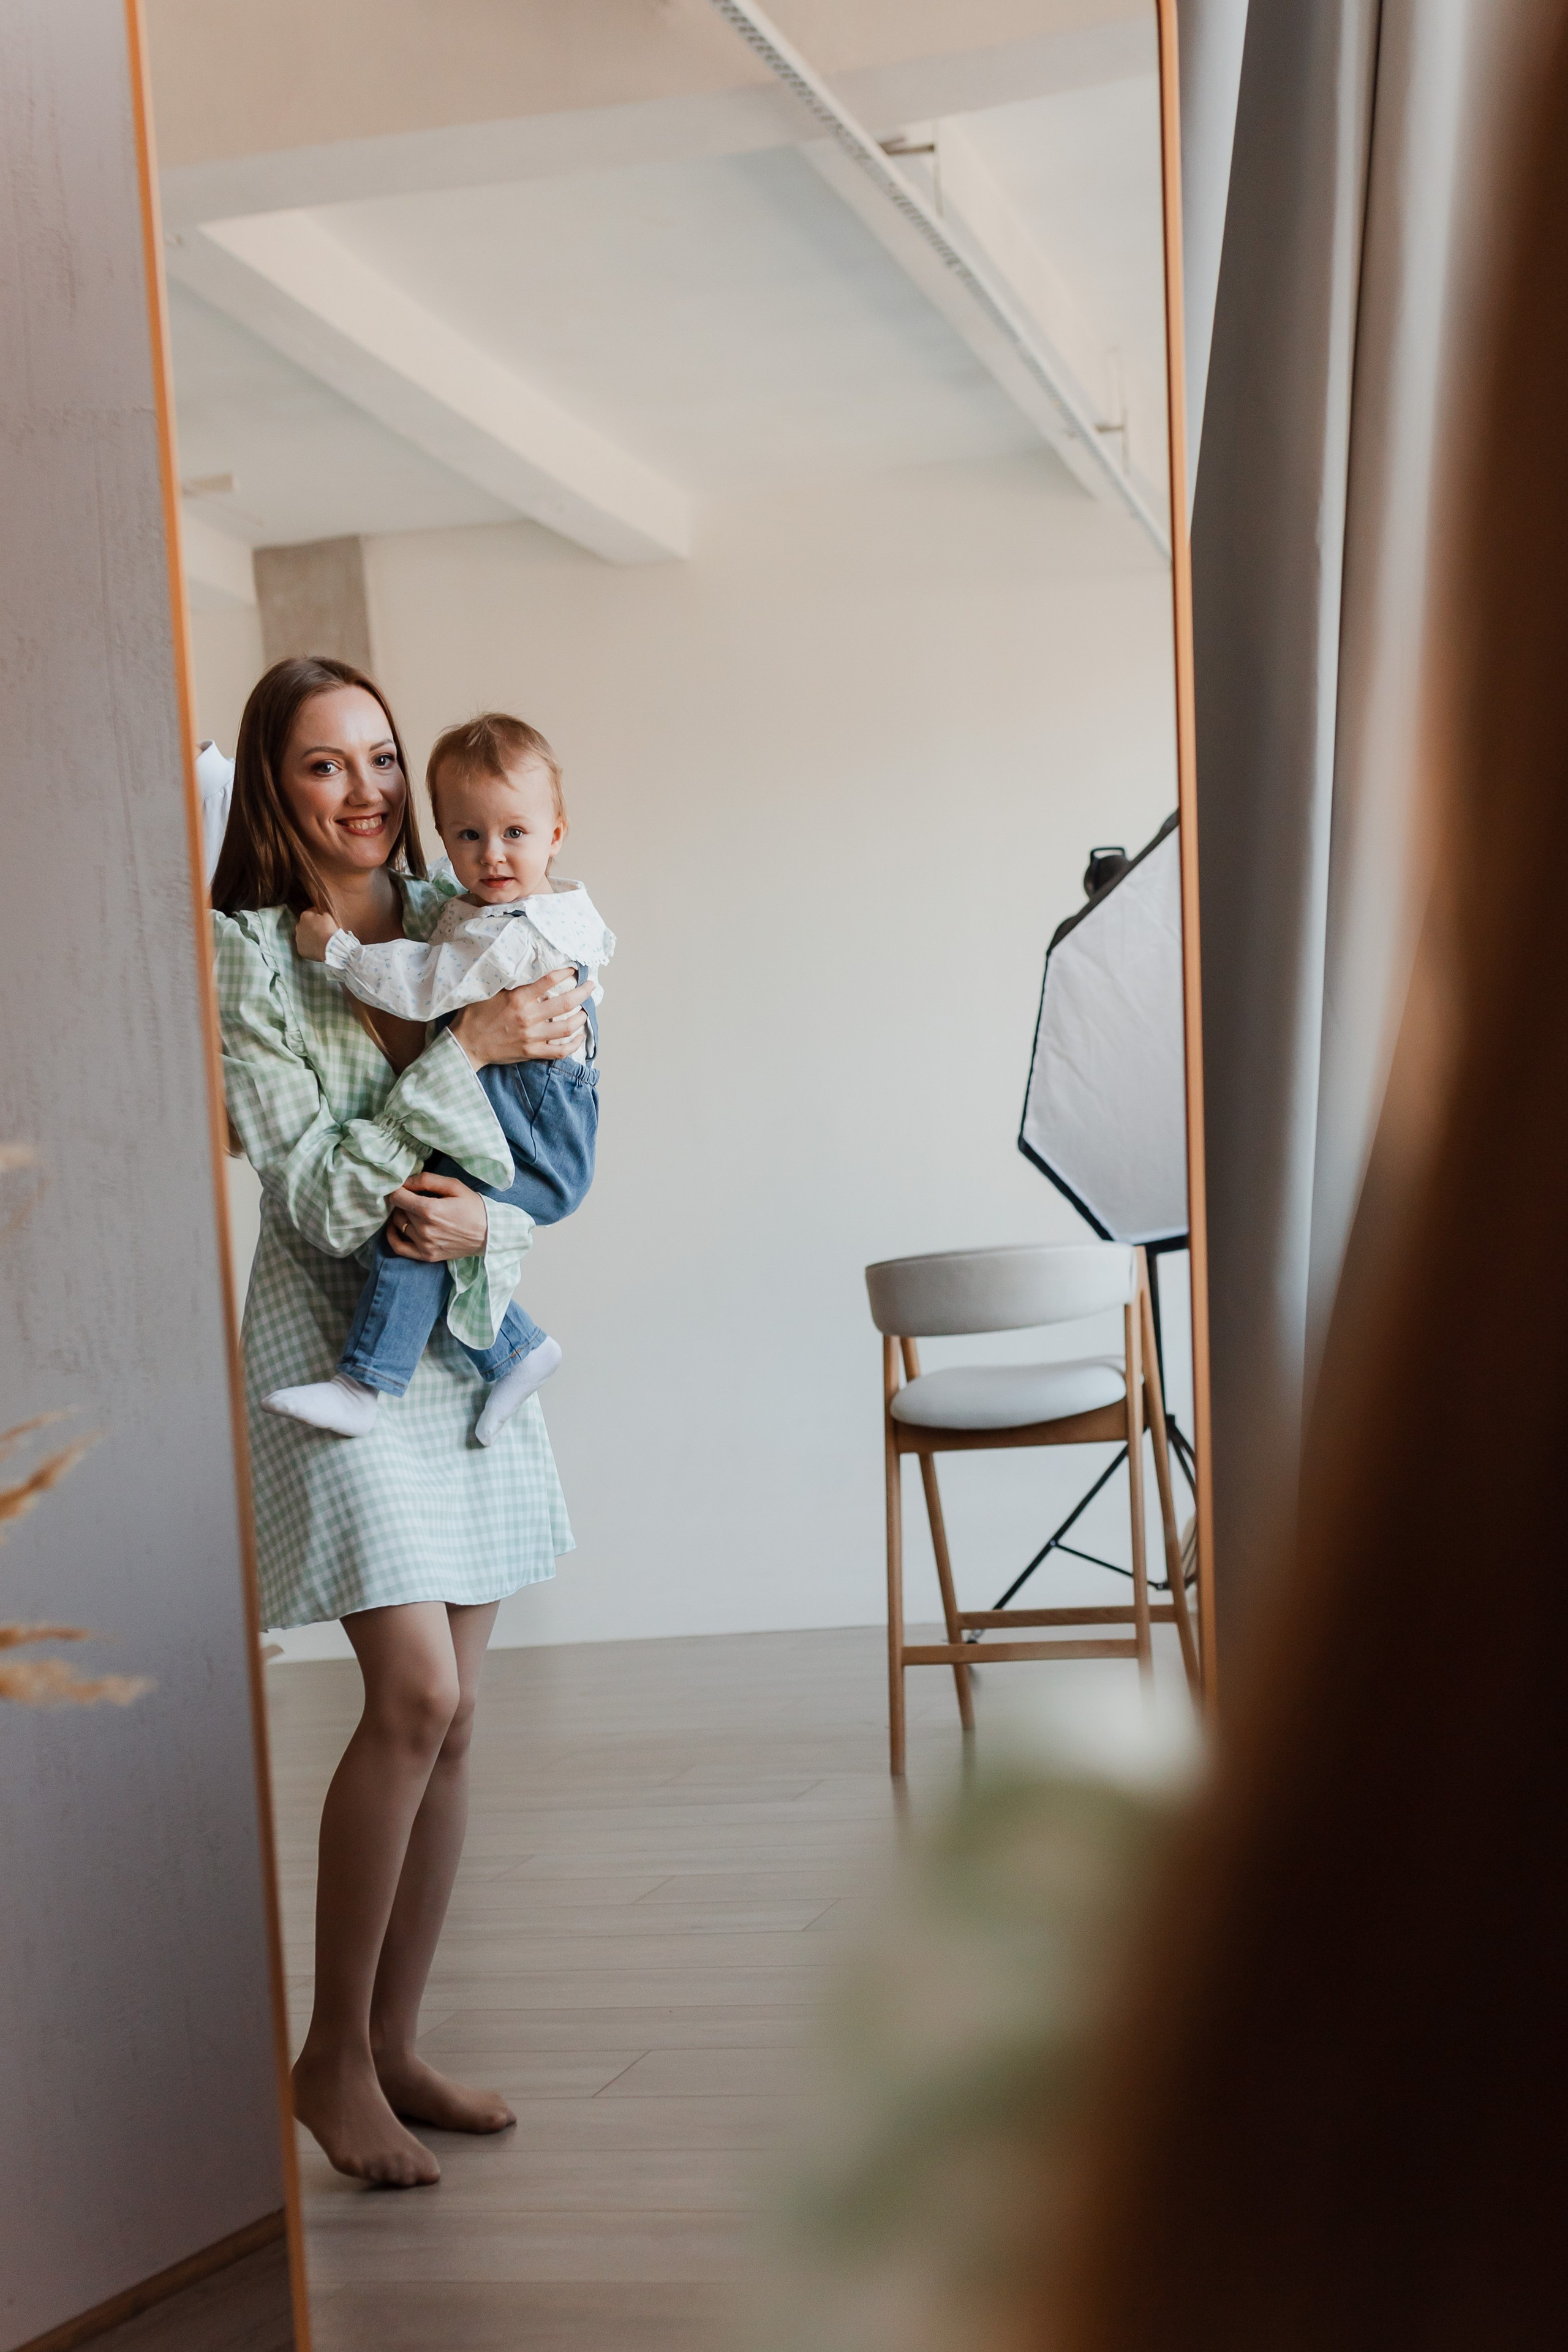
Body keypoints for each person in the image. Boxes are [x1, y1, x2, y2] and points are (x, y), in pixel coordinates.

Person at [212, 654, 591, 2188]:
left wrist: (487, 1222)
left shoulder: (466, 912)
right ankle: (326, 2058)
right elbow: (314, 1193)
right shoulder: (250, 956)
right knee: (414, 1695)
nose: (366, 790)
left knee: (460, 1714)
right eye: (326, 764)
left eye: (379, 756)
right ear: (275, 785)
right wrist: (462, 1056)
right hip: (331, 1342)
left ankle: (391, 2041)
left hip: (466, 1334)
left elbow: (541, 1155)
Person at [263, 713, 614, 1442]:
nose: (491, 855)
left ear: (555, 834)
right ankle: (515, 1350)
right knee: (429, 1222)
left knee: (417, 1216)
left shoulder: (510, 931)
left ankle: (364, 1385)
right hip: (537, 1113)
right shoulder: (539, 907)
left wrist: (338, 952)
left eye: (514, 833)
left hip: (530, 1122)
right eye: (468, 835)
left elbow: (424, 984)